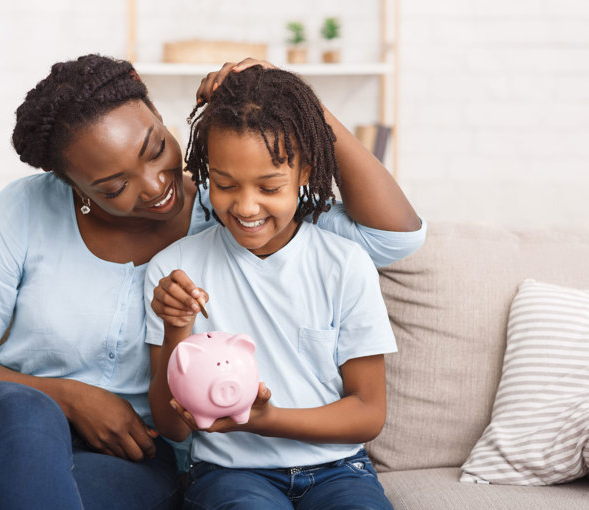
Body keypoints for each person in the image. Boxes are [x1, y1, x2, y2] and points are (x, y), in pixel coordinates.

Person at [0, 55, 423, 509]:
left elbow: (394, 238)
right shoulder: (27, 207)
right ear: (69, 183)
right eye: (115, 186)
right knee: (25, 413)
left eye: (156, 148)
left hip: (125, 457)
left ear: (155, 107)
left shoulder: (228, 206)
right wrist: (68, 397)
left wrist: (302, 107)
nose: (157, 186)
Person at [146, 65, 417, 510]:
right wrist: (176, 326)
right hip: (229, 473)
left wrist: (267, 420)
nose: (246, 206)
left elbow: (368, 413)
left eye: (270, 186)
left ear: (306, 172)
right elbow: (172, 427)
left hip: (337, 469)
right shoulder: (175, 267)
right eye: (225, 184)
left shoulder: (345, 264)